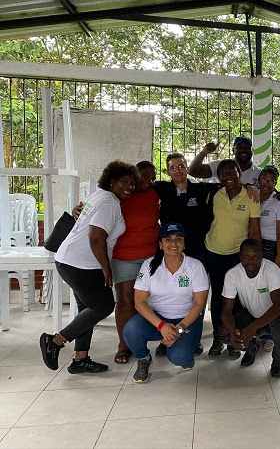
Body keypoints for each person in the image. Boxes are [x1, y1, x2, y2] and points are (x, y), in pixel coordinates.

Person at [153, 152, 257, 357]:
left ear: (186, 168)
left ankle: (201, 338)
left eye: (181, 166)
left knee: (205, 296)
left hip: (198, 252)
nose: (178, 170)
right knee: (174, 295)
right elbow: (138, 185)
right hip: (171, 251)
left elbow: (231, 183)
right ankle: (168, 338)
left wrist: (249, 186)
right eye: (173, 167)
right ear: (168, 171)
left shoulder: (202, 189)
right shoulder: (161, 188)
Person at [40, 160, 138, 374]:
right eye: (124, 182)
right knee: (103, 306)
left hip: (69, 260)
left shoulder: (98, 196)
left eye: (132, 183)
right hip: (82, 264)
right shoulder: (109, 202)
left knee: (87, 310)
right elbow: (96, 238)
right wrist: (106, 268)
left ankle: (80, 359)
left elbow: (83, 219)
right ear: (111, 182)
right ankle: (55, 341)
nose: (129, 187)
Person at [123, 223, 209, 383]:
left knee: (180, 358)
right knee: (131, 329)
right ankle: (144, 359)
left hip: (186, 320)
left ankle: (187, 351)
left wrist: (179, 330)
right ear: (160, 244)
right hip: (157, 319)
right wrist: (162, 326)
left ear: (184, 243)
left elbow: (199, 304)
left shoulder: (195, 266)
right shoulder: (149, 265)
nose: (174, 244)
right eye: (168, 239)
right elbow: (139, 302)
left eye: (178, 239)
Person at [204, 159, 261, 357]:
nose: (228, 176)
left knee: (236, 298)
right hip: (214, 252)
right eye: (223, 173)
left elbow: (254, 228)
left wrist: (255, 256)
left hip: (237, 255)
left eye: (232, 172)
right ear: (218, 177)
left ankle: (233, 340)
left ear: (239, 173)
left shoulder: (251, 196)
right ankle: (218, 339)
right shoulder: (213, 194)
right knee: (219, 297)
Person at [110, 161, 160, 364]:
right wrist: (78, 209)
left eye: (152, 177)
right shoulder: (118, 195)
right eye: (144, 176)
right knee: (125, 299)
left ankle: (158, 337)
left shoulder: (154, 194)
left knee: (155, 299)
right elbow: (94, 209)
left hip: (151, 256)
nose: (149, 180)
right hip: (124, 256)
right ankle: (124, 344)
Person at [220, 239, 280, 377]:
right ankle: (251, 345)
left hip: (273, 316)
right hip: (251, 315)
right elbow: (226, 311)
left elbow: (279, 305)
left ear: (262, 256)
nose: (250, 260)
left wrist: (253, 327)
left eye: (255, 256)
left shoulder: (271, 270)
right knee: (222, 333)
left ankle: (278, 360)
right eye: (246, 256)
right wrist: (232, 333)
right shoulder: (232, 274)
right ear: (240, 257)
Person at [189, 136, 261, 187]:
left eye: (247, 147)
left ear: (252, 150)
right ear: (233, 150)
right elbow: (193, 172)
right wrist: (204, 152)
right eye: (239, 148)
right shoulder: (220, 165)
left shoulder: (260, 173)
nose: (243, 150)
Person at [258, 165, 280, 275]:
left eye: (271, 181)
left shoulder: (279, 201)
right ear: (259, 179)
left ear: (275, 184)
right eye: (264, 179)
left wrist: (279, 258)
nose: (267, 184)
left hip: (276, 250)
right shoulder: (252, 196)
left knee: (275, 288)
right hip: (258, 249)